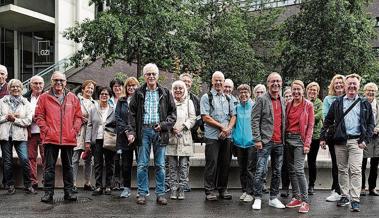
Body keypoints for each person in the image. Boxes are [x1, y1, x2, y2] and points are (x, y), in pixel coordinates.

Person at [320, 74, 374, 212]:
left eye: (354, 84)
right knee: (342, 169)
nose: (352, 86)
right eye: (349, 84)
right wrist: (322, 137)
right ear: (345, 86)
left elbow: (370, 124)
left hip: (357, 142)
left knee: (356, 170)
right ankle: (344, 195)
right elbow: (327, 120)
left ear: (358, 86)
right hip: (340, 141)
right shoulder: (337, 102)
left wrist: (365, 140)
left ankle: (355, 199)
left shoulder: (364, 103)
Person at [127, 63, 176, 205]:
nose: (151, 76)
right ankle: (142, 193)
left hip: (160, 132)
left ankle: (160, 194)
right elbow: (131, 114)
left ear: (157, 76)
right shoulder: (138, 93)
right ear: (144, 76)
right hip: (144, 132)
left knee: (160, 164)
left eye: (153, 73)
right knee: (142, 164)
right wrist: (131, 132)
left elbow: (173, 114)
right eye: (148, 74)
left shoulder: (166, 93)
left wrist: (163, 125)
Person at [35, 71, 82, 203]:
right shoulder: (44, 97)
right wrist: (46, 130)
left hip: (68, 138)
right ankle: (48, 193)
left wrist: (74, 130)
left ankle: (69, 192)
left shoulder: (73, 97)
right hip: (50, 138)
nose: (59, 83)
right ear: (51, 82)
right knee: (49, 167)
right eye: (56, 80)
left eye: (61, 80)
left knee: (69, 167)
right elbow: (38, 116)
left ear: (65, 82)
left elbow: (78, 116)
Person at [251, 72, 286, 210]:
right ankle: (258, 197)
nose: (276, 84)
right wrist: (257, 139)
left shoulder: (283, 100)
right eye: (273, 81)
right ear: (268, 83)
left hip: (279, 142)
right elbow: (254, 120)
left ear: (281, 83)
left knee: (277, 171)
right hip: (265, 141)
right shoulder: (261, 99)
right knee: (260, 170)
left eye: (278, 81)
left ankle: (273, 198)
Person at [200, 71, 236, 201]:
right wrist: (222, 127)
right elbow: (205, 117)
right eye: (216, 80)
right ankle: (209, 190)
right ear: (212, 81)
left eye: (221, 80)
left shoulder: (229, 98)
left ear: (224, 81)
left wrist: (228, 129)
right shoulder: (206, 97)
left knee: (225, 163)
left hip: (226, 136)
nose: (219, 83)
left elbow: (233, 116)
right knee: (212, 163)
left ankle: (222, 189)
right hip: (212, 137)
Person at [0, 79, 36, 194]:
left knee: (25, 159)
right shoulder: (2, 102)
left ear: (21, 89)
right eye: (13, 87)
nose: (15, 88)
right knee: (7, 161)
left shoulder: (26, 103)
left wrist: (14, 120)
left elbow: (28, 121)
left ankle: (28, 185)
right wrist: (6, 117)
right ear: (9, 88)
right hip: (5, 136)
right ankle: (10, 185)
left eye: (18, 87)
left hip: (20, 136)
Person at [284, 80, 314, 213]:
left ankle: (305, 201)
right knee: (291, 170)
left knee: (299, 170)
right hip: (288, 139)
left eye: (299, 89)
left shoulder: (308, 105)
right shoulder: (288, 104)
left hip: (300, 141)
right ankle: (296, 197)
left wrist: (307, 143)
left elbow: (311, 126)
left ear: (303, 90)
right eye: (294, 89)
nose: (296, 92)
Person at [167, 80, 196, 200]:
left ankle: (182, 188)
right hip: (171, 136)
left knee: (184, 165)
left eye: (181, 88)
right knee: (172, 166)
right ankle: (173, 188)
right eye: (175, 88)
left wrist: (183, 126)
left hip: (185, 137)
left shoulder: (189, 102)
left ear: (185, 90)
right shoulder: (169, 102)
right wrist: (171, 127)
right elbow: (165, 116)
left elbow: (193, 118)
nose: (178, 90)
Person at [86, 87, 116, 196]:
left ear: (109, 96)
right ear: (99, 96)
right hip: (97, 140)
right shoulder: (93, 109)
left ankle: (108, 186)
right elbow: (89, 125)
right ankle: (98, 186)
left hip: (109, 139)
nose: (104, 96)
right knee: (97, 164)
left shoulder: (113, 110)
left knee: (110, 163)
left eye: (106, 94)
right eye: (102, 94)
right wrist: (88, 141)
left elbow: (116, 125)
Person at [115, 77, 140, 198]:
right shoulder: (121, 101)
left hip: (138, 137)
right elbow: (118, 118)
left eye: (133, 85)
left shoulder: (141, 100)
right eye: (129, 85)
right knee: (125, 164)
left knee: (141, 163)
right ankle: (126, 188)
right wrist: (127, 132)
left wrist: (134, 134)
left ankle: (142, 189)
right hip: (125, 137)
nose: (131, 87)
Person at [322, 74, 345, 202]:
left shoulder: (350, 98)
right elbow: (327, 118)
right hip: (334, 136)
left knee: (346, 165)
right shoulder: (328, 99)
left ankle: (344, 190)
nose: (339, 85)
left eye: (341, 82)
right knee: (336, 164)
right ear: (332, 85)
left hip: (348, 136)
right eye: (336, 83)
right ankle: (336, 190)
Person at [71, 80, 97, 193]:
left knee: (88, 159)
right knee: (75, 158)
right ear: (83, 89)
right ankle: (73, 183)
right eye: (88, 87)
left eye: (92, 88)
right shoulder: (76, 100)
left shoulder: (95, 103)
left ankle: (87, 182)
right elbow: (71, 114)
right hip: (79, 132)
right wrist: (81, 119)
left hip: (90, 133)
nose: (90, 90)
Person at [232, 84, 256, 203]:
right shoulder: (236, 107)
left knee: (250, 169)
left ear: (250, 93)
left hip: (251, 143)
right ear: (238, 94)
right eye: (241, 92)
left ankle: (250, 192)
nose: (243, 94)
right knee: (242, 169)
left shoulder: (254, 106)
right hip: (238, 143)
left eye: (246, 92)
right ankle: (244, 190)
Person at [179, 73, 201, 192]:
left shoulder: (195, 99)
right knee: (172, 159)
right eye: (184, 81)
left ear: (191, 84)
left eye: (188, 81)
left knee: (185, 160)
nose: (186, 83)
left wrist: (190, 127)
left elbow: (198, 117)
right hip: (174, 133)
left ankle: (184, 182)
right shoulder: (172, 95)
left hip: (189, 134)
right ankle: (171, 182)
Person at [23, 75, 45, 190]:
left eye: (40, 83)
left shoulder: (48, 97)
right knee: (31, 157)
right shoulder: (25, 98)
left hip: (44, 132)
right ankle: (33, 181)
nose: (38, 85)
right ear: (30, 85)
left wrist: (36, 117)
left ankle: (47, 180)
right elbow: (22, 114)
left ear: (43, 84)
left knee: (46, 156)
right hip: (30, 132)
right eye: (35, 83)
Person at [361, 82, 379, 196]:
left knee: (375, 163)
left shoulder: (378, 104)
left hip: (377, 138)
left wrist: (377, 128)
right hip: (364, 137)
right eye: (368, 90)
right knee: (361, 164)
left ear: (376, 92)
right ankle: (362, 187)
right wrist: (368, 130)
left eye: (373, 90)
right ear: (364, 92)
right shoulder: (361, 103)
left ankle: (372, 188)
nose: (370, 92)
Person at [306, 82, 323, 195]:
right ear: (307, 90)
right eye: (311, 89)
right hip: (302, 135)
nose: (312, 92)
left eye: (315, 90)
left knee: (312, 162)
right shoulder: (303, 101)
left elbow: (318, 116)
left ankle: (311, 185)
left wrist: (305, 117)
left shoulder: (319, 103)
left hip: (315, 136)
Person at [109, 78, 124, 190]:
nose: (117, 88)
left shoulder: (125, 100)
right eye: (115, 86)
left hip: (123, 132)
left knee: (123, 158)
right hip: (112, 132)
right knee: (114, 159)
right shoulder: (109, 100)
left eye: (119, 86)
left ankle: (121, 182)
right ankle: (114, 182)